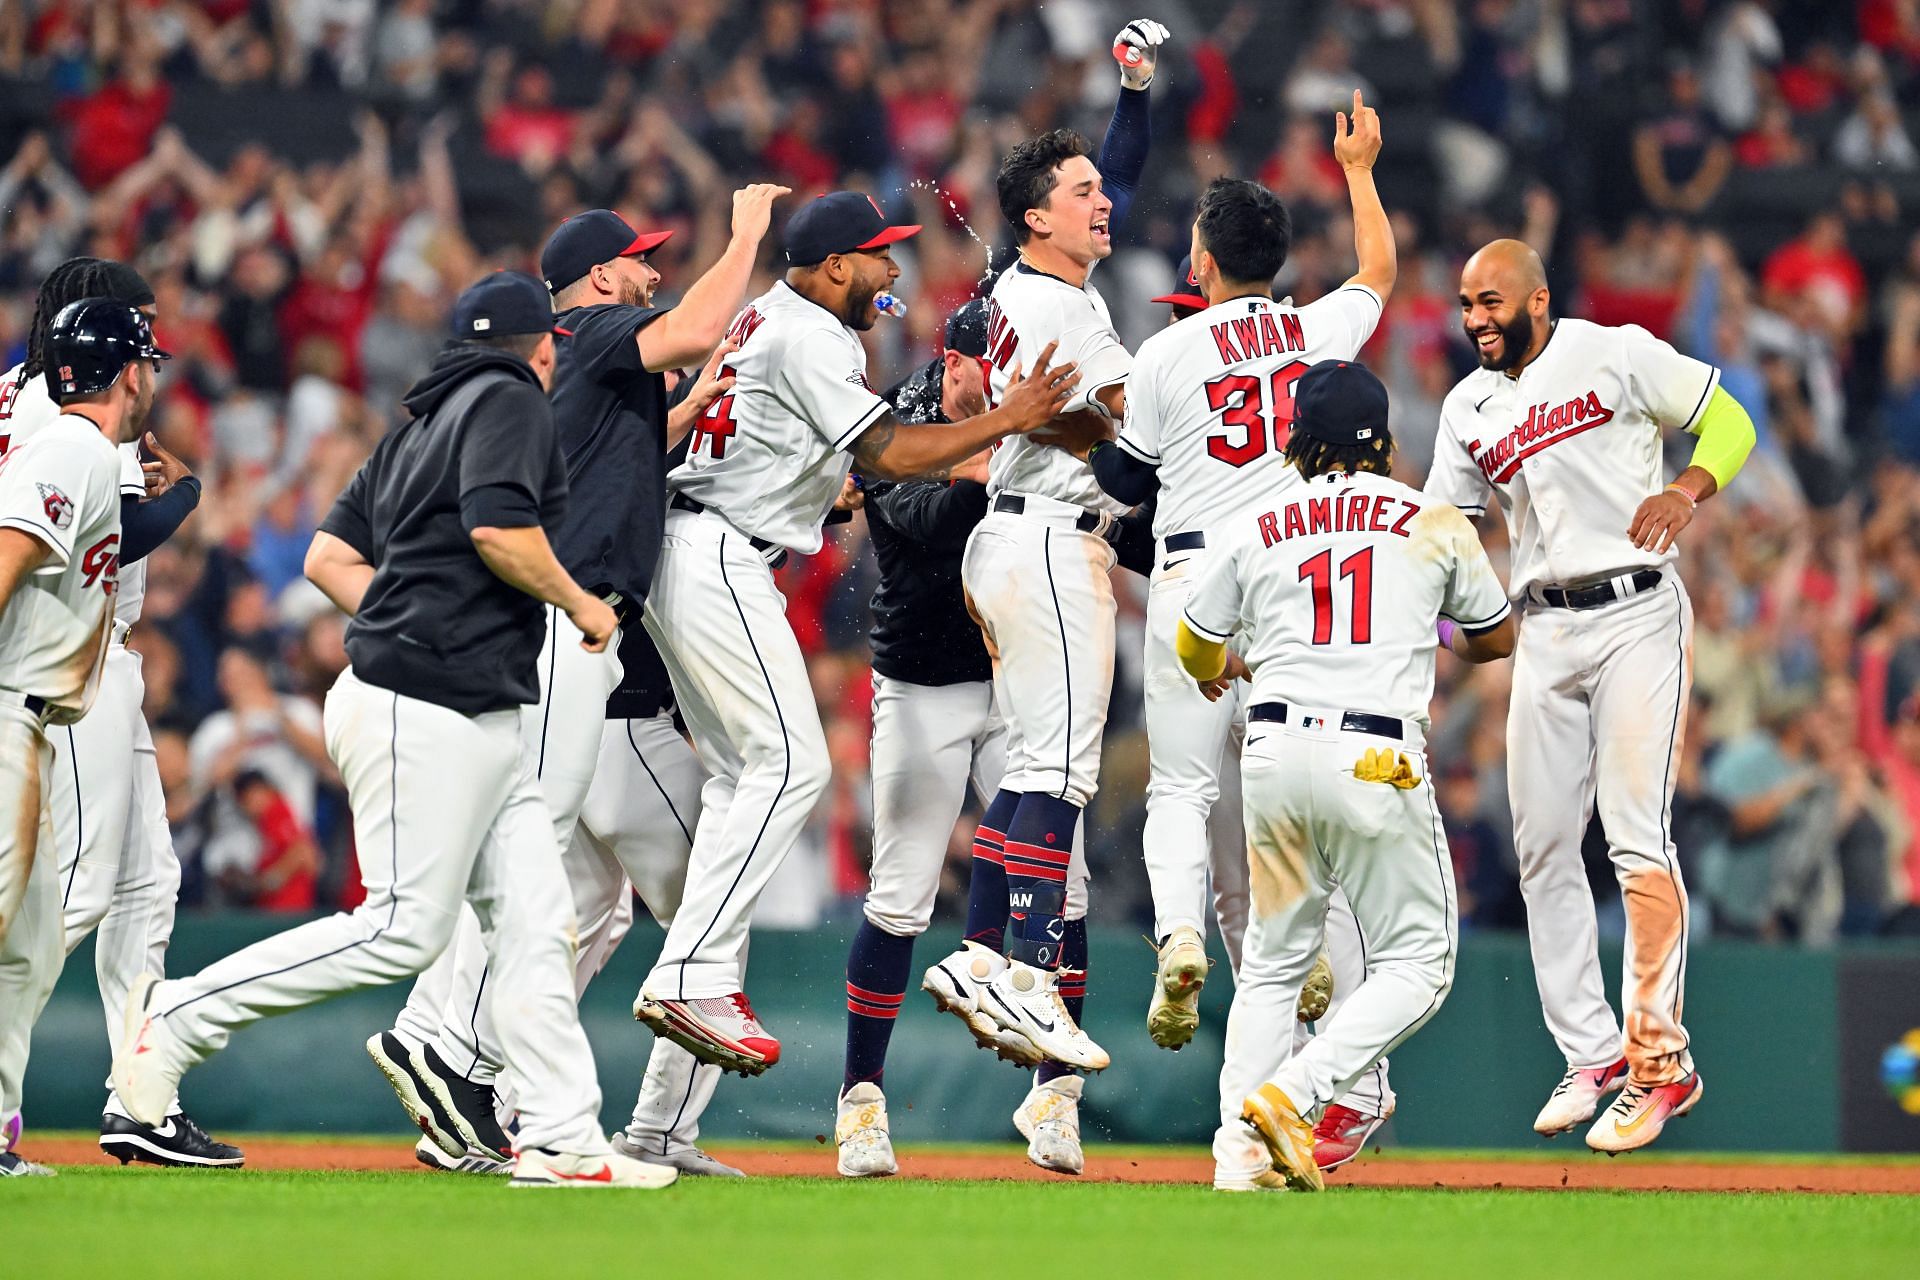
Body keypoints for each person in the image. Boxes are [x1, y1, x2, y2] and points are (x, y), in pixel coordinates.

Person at [112, 273, 674, 1189]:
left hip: (457, 698)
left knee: (537, 922)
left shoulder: (418, 424)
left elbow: (331, 559)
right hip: (430, 700)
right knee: (403, 932)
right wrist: (577, 604)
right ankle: (172, 1019)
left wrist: (417, 612)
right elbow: (500, 532)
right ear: (544, 346)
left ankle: (567, 1138)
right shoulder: (510, 399)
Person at [364, 192, 784, 1176]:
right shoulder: (591, 328)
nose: (650, 270)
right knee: (534, 852)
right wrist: (748, 238)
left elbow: (625, 448)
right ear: (598, 278)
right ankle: (443, 1044)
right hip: (566, 622)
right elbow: (687, 325)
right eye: (638, 260)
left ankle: (467, 1068)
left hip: (559, 627)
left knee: (556, 873)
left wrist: (691, 397)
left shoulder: (579, 367)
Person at [633, 191, 1083, 1079]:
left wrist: (817, 483)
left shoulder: (773, 315)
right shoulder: (808, 330)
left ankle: (677, 1065)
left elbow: (809, 447)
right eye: (880, 255)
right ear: (836, 265)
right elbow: (888, 455)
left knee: (736, 784)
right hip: (719, 552)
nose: (892, 271)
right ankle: (687, 974)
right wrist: (1009, 416)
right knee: (792, 768)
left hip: (696, 541)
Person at [1426, 238, 1756, 1152]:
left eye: (1490, 301)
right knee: (1538, 846)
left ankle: (1661, 1062)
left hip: (1636, 611)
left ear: (1538, 298)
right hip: (1544, 626)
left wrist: (1690, 487)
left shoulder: (1611, 350)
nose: (1476, 319)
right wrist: (1445, 623)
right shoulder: (1468, 405)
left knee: (1635, 836)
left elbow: (1730, 421)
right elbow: (1446, 533)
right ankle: (1594, 1053)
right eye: (1464, 304)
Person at [1095, 97, 1393, 1053]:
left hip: (1193, 584)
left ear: (1203, 262)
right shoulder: (1313, 332)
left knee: (1182, 791)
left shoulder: (1168, 350)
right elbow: (1379, 271)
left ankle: (1180, 934)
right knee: (1274, 785)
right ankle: (1293, 937)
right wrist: (1358, 168)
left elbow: (1123, 478)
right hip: (1286, 589)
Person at [1176, 359, 1516, 1191]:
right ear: (1388, 444)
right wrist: (1426, 629)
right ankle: (1297, 1093)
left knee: (1272, 959)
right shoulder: (1431, 518)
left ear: (1299, 443)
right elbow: (1495, 637)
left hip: (1275, 749)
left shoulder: (1261, 519)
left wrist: (1226, 663)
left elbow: (1192, 642)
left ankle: (1237, 1159)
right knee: (1422, 963)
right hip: (1375, 754)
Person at [920, 17, 1168, 1096]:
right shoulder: (1054, 304)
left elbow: (1113, 175)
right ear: (1033, 216)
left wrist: (1137, 99)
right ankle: (1020, 966)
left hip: (1018, 537)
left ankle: (985, 953)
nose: (1101, 199)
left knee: (1035, 769)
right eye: (1077, 193)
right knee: (1057, 771)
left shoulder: (1027, 290)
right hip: (1051, 543)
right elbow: (1122, 420)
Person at [0, 259, 238, 1169]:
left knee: (148, 885)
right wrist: (185, 494)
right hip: (61, 658)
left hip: (95, 652)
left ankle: (141, 1096)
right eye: (134, 326)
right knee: (77, 889)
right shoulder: (56, 422)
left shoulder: (40, 406)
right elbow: (94, 535)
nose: (147, 346)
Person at [0, 298, 161, 1176]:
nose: (155, 379)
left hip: (33, 717)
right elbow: (8, 552)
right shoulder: (72, 446)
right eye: (150, 362)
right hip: (5, 707)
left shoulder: (84, 449)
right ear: (128, 371)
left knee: (27, 946)